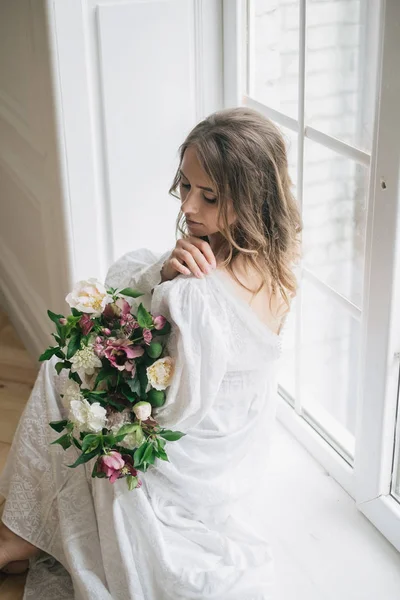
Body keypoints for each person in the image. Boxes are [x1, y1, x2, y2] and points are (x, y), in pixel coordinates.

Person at [0, 106, 302, 599]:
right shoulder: (278, 263)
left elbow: (174, 409)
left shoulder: (198, 292)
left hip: (182, 449)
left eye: (209, 196)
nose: (189, 208)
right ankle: (23, 535)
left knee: (63, 374)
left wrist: (105, 389)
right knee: (71, 377)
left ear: (251, 198)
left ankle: (17, 538)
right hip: (235, 454)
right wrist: (163, 273)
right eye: (184, 186)